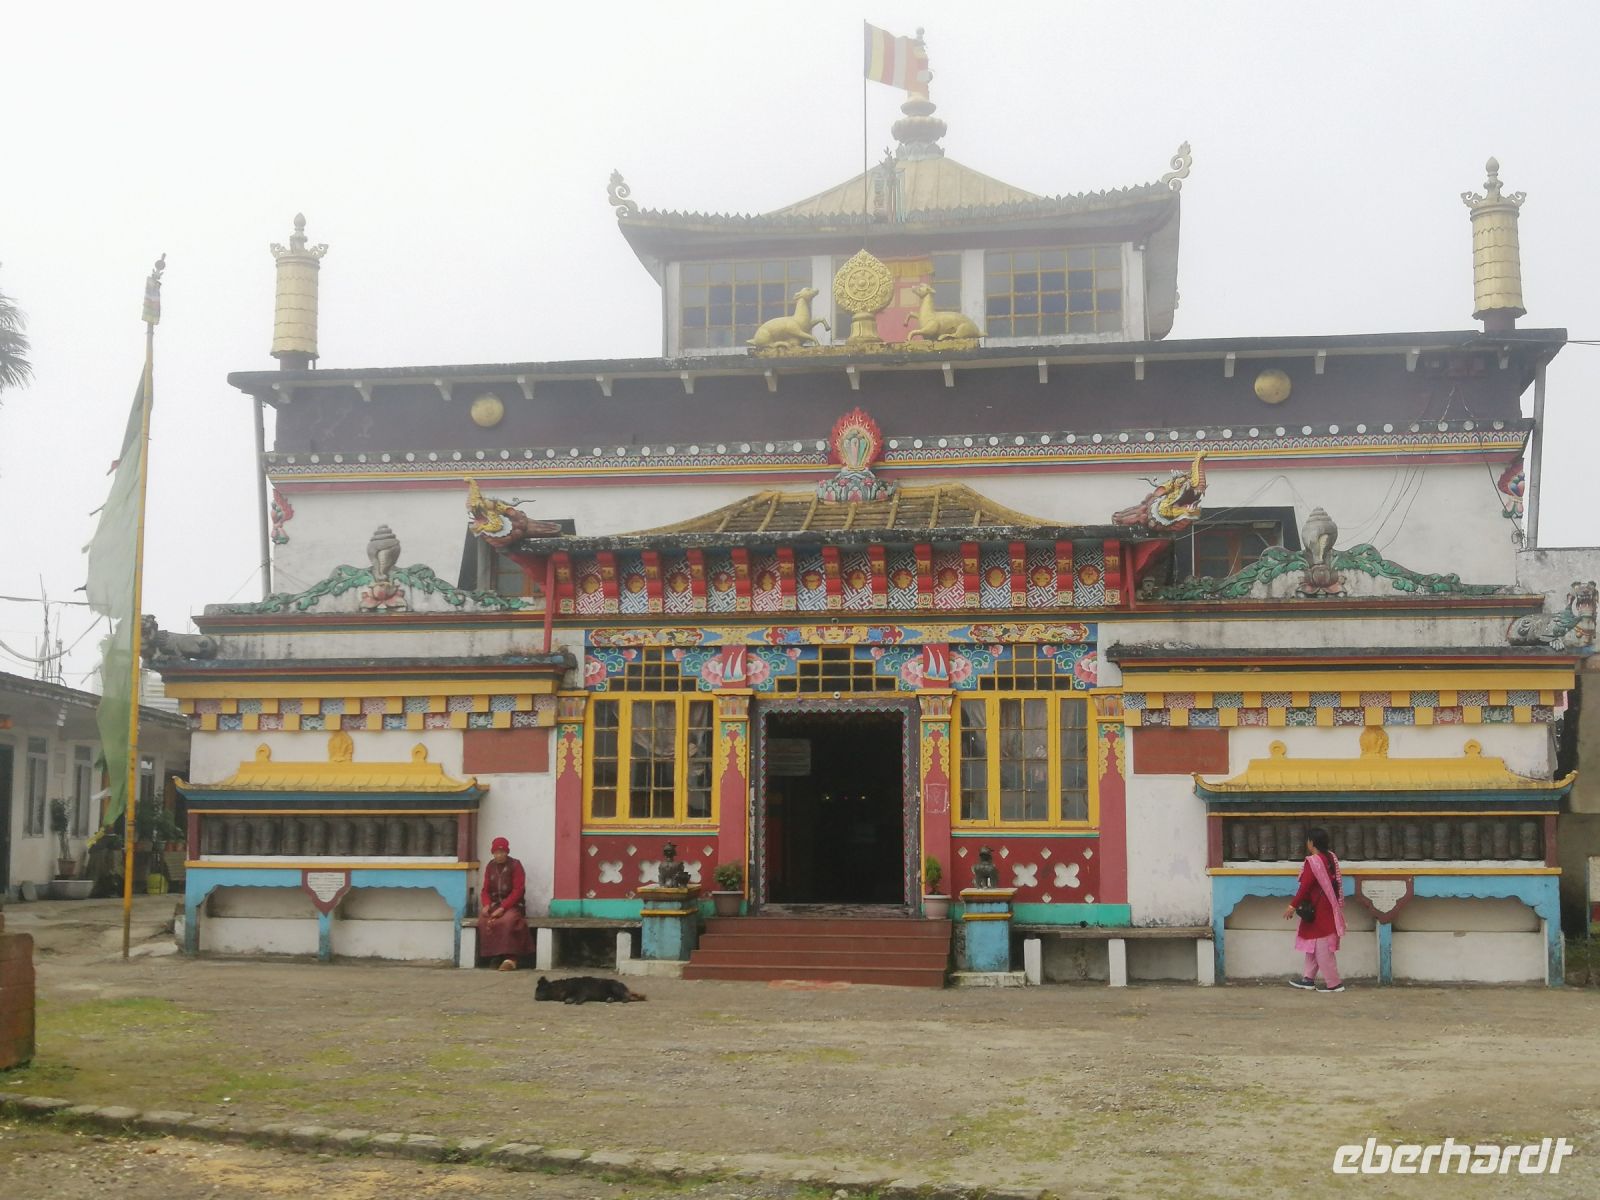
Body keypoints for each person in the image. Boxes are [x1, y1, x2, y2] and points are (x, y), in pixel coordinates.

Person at [1283, 826, 1347, 993]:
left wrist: (1292, 905)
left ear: (1312, 843)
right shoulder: (1331, 857)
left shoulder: (1313, 862)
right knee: (1312, 946)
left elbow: (1304, 887)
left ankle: (1334, 983)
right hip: (1326, 907)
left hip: (1318, 910)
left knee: (1322, 949)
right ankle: (1308, 979)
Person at [479, 836, 536, 970]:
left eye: (502, 852)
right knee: (484, 920)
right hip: (494, 905)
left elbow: (518, 890)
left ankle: (511, 958)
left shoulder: (516, 865)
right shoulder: (490, 866)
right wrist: (486, 905)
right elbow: (485, 890)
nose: (499, 855)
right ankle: (495, 955)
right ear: (493, 853)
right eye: (496, 853)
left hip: (513, 905)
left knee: (507, 921)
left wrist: (503, 907)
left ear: (507, 852)